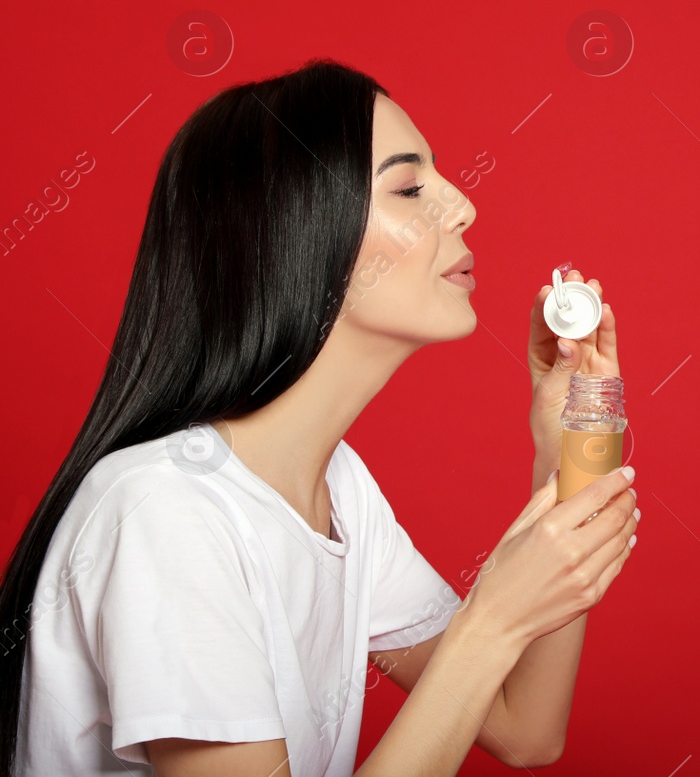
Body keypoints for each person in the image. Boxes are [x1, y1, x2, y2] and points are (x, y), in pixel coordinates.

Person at [0, 58, 639, 775]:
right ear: (296, 232)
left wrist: (574, 450)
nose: (462, 206)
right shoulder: (163, 508)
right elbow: (494, 663)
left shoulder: (338, 491)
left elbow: (526, 726)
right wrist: (492, 617)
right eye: (408, 186)